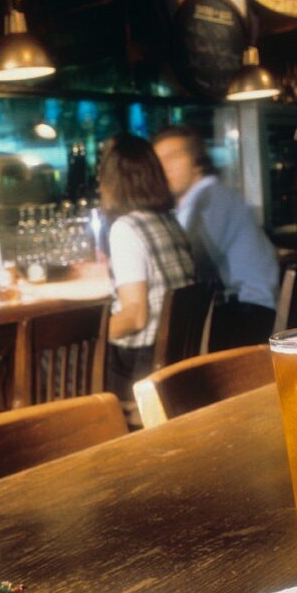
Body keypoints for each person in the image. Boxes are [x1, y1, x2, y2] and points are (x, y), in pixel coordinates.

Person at [154, 126, 279, 348]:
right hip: (242, 312)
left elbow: (191, 264)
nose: (164, 169)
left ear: (197, 162)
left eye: (173, 157)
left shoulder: (211, 200)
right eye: (158, 161)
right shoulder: (199, 201)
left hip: (248, 316)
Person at [97, 133, 197, 405]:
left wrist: (85, 336)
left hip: (138, 369)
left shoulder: (125, 228)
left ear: (112, 181)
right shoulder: (169, 223)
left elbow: (135, 317)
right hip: (178, 363)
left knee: (50, 359)